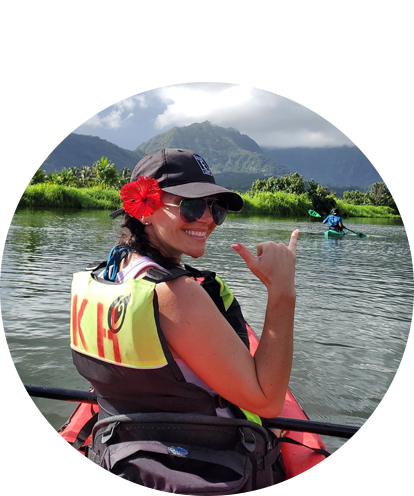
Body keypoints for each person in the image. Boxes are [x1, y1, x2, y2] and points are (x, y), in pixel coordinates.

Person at [70, 148, 298, 494]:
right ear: (144, 210)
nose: (206, 219)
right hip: (206, 464)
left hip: (123, 455)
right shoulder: (176, 294)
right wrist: (282, 292)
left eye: (215, 209)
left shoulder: (110, 274)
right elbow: (267, 401)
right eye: (190, 206)